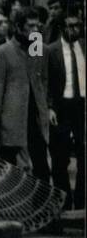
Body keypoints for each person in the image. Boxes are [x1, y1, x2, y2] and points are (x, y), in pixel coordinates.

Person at [0, 7, 51, 179]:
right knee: (9, 167)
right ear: (18, 27)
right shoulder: (3, 52)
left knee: (41, 165)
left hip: (36, 116)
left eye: (37, 26)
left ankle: (41, 205)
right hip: (12, 118)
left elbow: (42, 78)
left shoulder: (38, 47)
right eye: (30, 26)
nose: (35, 30)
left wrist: (45, 105)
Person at [47, 11, 84, 207]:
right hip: (61, 106)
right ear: (61, 28)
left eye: (77, 25)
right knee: (60, 157)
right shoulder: (50, 50)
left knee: (83, 154)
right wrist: (49, 107)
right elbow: (44, 81)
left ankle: (81, 204)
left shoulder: (84, 47)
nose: (74, 29)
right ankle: (63, 203)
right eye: (70, 26)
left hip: (82, 106)